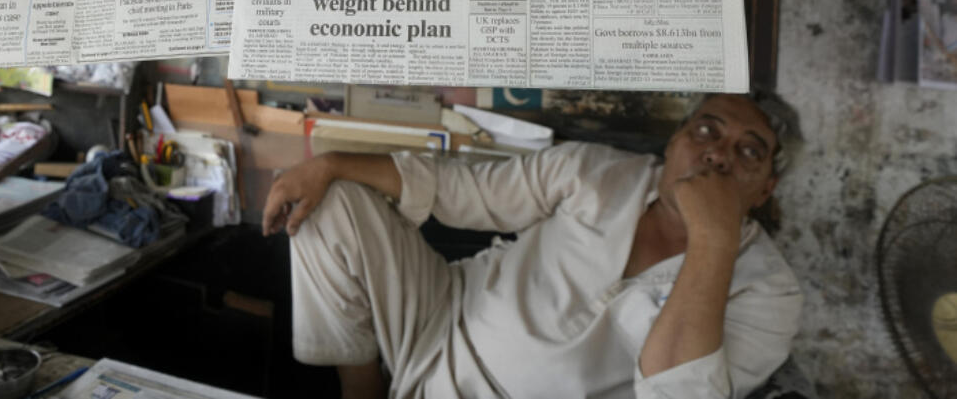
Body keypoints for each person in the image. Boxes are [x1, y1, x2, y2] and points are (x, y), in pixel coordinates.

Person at [263, 93, 802, 399]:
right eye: (706, 132)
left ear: (766, 189)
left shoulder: (769, 294)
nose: (717, 156)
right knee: (329, 205)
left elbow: (680, 395)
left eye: (749, 152)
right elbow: (461, 192)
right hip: (438, 329)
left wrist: (714, 238)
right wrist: (329, 164)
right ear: (676, 140)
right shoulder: (597, 172)